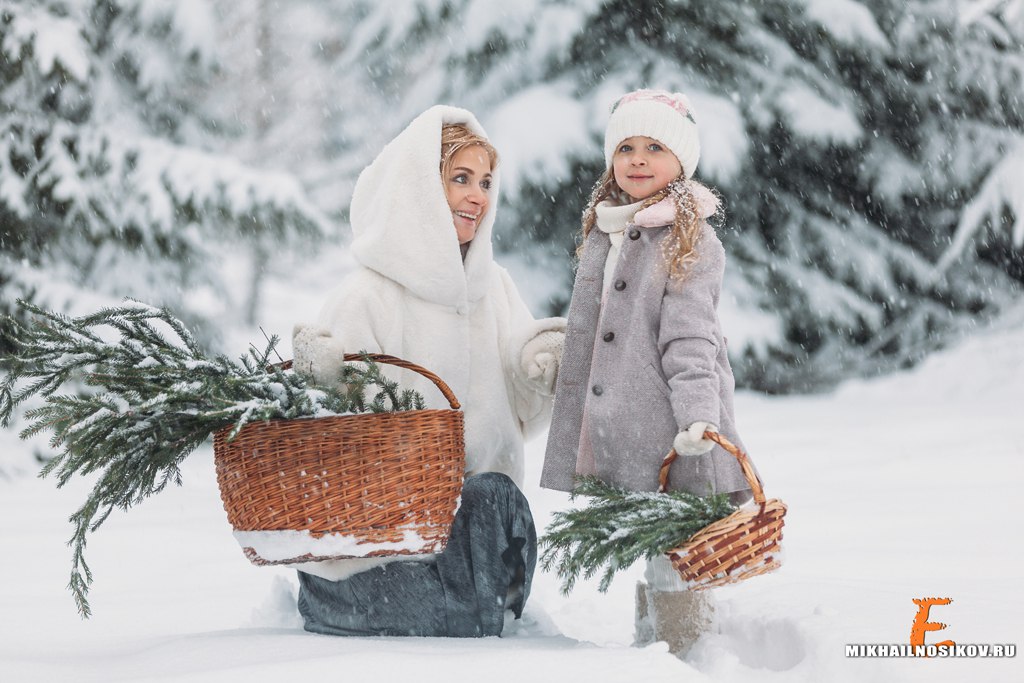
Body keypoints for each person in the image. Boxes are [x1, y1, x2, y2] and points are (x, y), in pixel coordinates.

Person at [291, 105, 566, 637]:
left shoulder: (496, 291)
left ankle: (472, 606)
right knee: (459, 585)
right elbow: (328, 441)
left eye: (486, 182)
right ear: (417, 190)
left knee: (494, 497)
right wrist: (327, 381)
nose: (477, 196)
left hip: (472, 543)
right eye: (459, 179)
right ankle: (426, 610)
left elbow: (523, 420)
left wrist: (540, 372)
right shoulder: (367, 297)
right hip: (374, 560)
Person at [540, 89, 753, 656]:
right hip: (623, 417)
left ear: (681, 161)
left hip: (674, 418)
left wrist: (699, 418)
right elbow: (599, 326)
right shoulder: (608, 229)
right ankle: (652, 648)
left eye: (654, 147)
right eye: (626, 147)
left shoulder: (689, 238)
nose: (637, 159)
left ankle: (688, 652)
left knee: (680, 541)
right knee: (655, 540)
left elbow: (691, 336)